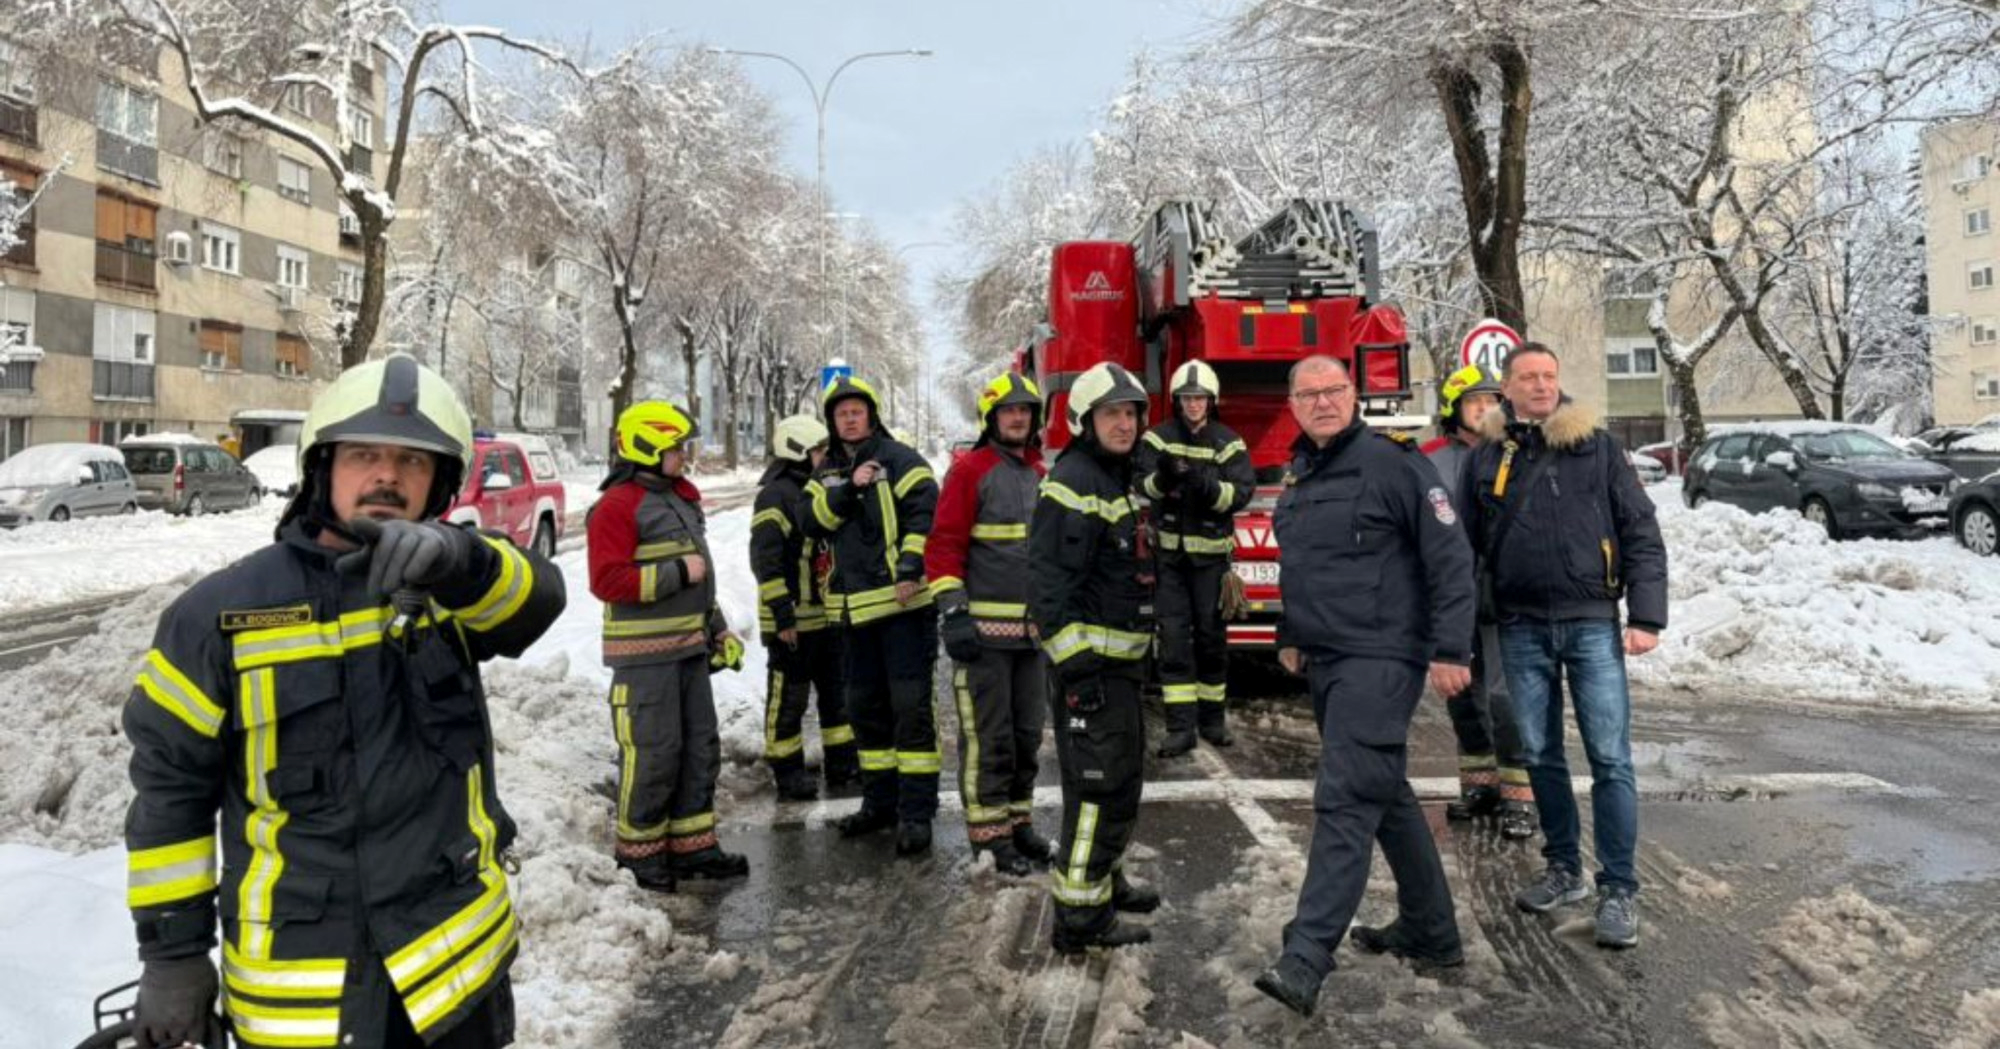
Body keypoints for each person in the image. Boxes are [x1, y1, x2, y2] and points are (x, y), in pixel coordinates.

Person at [122, 355, 565, 1049]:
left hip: (454, 981)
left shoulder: (453, 588)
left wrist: (460, 558)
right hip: (303, 1001)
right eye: (364, 454)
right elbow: (168, 795)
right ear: (322, 466)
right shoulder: (217, 615)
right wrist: (172, 954)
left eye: (413, 462)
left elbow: (538, 597)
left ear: (440, 483)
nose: (387, 475)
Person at [1253, 354, 1474, 1018]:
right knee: (1385, 790)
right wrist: (1289, 633)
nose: (1322, 401)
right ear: (1292, 404)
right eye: (1309, 393)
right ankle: (1431, 930)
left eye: (1334, 390)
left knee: (1347, 795)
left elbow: (1449, 555)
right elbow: (1303, 564)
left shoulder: (1394, 464)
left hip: (1382, 656)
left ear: (1355, 395)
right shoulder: (1301, 474)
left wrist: (1451, 646)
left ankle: (1307, 955)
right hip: (1327, 658)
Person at [1464, 342, 1667, 950]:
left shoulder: (1597, 447)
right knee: (1540, 752)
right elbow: (1464, 553)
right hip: (1521, 625)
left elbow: (1640, 528)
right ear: (1508, 387)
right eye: (1529, 377)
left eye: (1550, 375)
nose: (1542, 386)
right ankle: (1562, 869)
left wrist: (1647, 615)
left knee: (1609, 757)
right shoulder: (1487, 459)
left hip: (1591, 622)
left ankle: (1619, 889)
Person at [588, 401, 749, 892]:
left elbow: (701, 580)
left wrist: (717, 627)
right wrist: (677, 573)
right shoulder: (617, 505)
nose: (684, 456)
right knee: (654, 754)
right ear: (647, 447)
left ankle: (693, 847)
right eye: (676, 448)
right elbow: (606, 580)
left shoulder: (678, 498)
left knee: (699, 749)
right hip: (645, 661)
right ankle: (638, 856)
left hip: (688, 651)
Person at [1031, 361, 1163, 954]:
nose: (1125, 423)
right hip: (1092, 672)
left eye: (1131, 413)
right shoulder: (1075, 482)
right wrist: (1077, 669)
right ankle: (1079, 917)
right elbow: (1051, 589)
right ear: (1086, 422)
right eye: (1112, 413)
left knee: (1121, 783)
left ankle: (1105, 881)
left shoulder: (1114, 477)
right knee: (1095, 791)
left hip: (1121, 668)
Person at [804, 375, 942, 856]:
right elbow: (811, 521)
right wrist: (846, 491)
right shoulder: (824, 472)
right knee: (866, 712)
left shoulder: (899, 459)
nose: (849, 417)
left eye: (857, 410)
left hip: (903, 608)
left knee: (910, 712)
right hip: (852, 615)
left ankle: (917, 812)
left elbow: (927, 510)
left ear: (872, 413)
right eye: (841, 413)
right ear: (832, 421)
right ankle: (879, 803)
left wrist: (911, 563)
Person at [926, 372, 1055, 876]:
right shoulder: (969, 471)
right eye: (1009, 411)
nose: (1018, 418)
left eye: (1025, 410)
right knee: (988, 738)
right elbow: (943, 547)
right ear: (992, 419)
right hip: (982, 638)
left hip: (1031, 639)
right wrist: (954, 610)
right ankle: (988, 837)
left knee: (1026, 738)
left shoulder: (1039, 472)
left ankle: (1018, 825)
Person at [1426, 363, 1536, 841]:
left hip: (1505, 591)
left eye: (1492, 401)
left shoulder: (1518, 454)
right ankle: (1480, 786)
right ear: (1454, 409)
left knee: (1504, 695)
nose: (1484, 409)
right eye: (1474, 402)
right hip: (1449, 595)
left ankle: (1520, 797)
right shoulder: (1428, 459)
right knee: (1462, 694)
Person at [1135, 361, 1255, 757]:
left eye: (1200, 398)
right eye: (1187, 398)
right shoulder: (1157, 438)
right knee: (1172, 642)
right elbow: (1142, 485)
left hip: (1212, 566)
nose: (1193, 405)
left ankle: (1213, 722)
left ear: (1211, 401)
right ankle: (1180, 728)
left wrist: (1206, 486)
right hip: (1169, 561)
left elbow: (1239, 493)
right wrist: (1164, 478)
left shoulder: (1229, 442)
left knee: (1211, 641)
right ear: (1177, 401)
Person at [751, 414, 858, 801]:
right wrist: (782, 614)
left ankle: (843, 765)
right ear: (797, 452)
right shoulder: (775, 496)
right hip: (790, 621)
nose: (825, 458)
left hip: (823, 619)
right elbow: (766, 560)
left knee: (836, 697)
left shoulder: (815, 490)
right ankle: (788, 772)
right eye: (818, 451)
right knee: (789, 700)